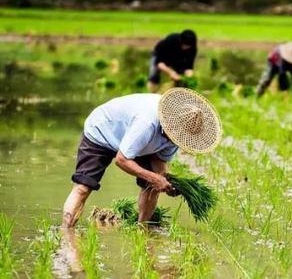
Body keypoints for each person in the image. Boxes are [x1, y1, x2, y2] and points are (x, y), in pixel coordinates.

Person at [61, 88, 222, 228]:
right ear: (168, 125)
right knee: (83, 188)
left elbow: (160, 160)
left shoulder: (180, 135)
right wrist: (154, 178)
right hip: (102, 131)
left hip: (137, 142)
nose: (175, 141)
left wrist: (165, 181)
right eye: (175, 136)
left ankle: (142, 230)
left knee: (152, 187)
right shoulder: (147, 122)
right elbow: (122, 159)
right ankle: (66, 234)